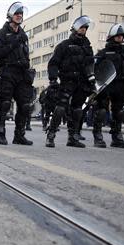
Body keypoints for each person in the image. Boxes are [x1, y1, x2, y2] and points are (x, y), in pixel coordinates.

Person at [45, 15, 96, 148]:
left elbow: (90, 65)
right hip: (67, 80)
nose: (83, 30)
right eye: (81, 27)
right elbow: (53, 63)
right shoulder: (64, 45)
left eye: (85, 28)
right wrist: (53, 79)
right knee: (61, 108)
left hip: (82, 82)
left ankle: (72, 137)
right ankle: (51, 135)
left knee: (78, 109)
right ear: (75, 28)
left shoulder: (87, 47)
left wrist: (92, 80)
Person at [0, 2, 34, 145]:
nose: (19, 16)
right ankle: (1, 133)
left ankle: (19, 135)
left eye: (21, 14)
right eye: (17, 14)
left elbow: (26, 54)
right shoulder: (1, 33)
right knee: (4, 103)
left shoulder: (23, 35)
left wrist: (27, 65)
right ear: (10, 16)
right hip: (7, 72)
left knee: (25, 105)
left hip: (21, 73)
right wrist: (12, 43)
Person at [92, 24, 124, 148]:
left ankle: (117, 137)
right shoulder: (103, 53)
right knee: (101, 110)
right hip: (106, 85)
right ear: (112, 37)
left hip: (121, 85)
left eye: (122, 36)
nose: (120, 37)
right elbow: (96, 70)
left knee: (119, 112)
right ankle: (98, 136)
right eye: (118, 35)